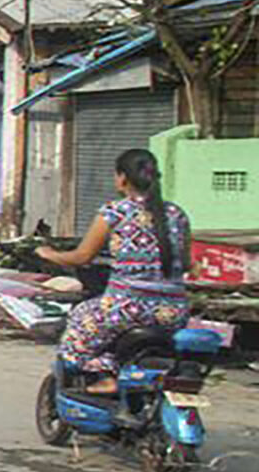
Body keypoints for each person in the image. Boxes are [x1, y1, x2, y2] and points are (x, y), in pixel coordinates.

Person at [36, 147, 193, 391]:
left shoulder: (114, 212)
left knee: (80, 319)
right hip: (174, 312)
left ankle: (103, 375)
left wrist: (49, 254)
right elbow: (185, 264)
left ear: (122, 178)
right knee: (107, 323)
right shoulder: (177, 214)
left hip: (126, 307)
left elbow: (82, 256)